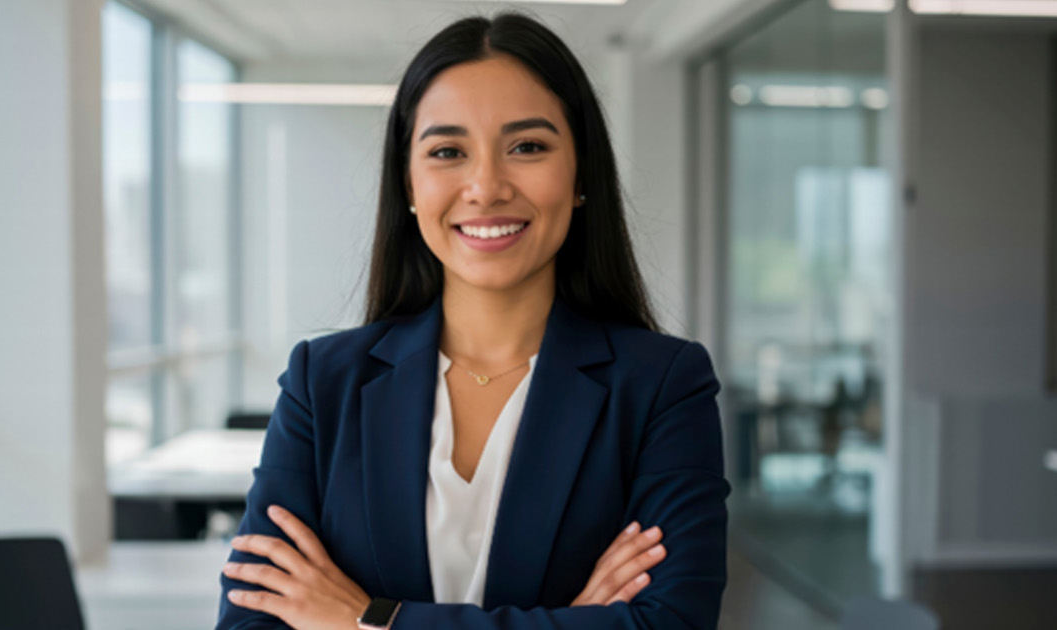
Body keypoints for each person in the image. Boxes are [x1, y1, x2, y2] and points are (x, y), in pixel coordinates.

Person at [216, 12, 729, 630]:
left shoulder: (661, 385)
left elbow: (672, 624)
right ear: (409, 185)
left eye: (528, 147)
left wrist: (366, 620)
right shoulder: (323, 382)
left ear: (581, 176)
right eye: (448, 152)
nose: (486, 187)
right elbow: (252, 619)